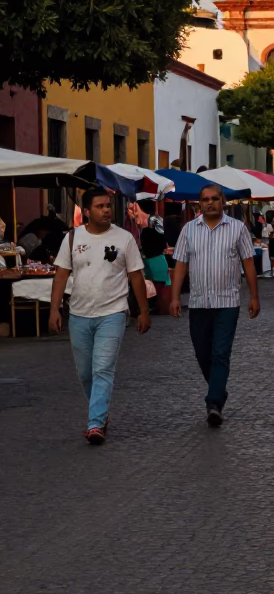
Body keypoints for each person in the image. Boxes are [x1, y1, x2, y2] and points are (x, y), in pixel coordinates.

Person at [48, 187, 151, 445]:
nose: (106, 210)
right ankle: (101, 414)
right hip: (79, 314)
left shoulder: (124, 238)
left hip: (113, 313)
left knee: (103, 368)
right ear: (86, 211)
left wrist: (143, 311)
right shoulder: (72, 238)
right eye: (100, 206)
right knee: (85, 373)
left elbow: (136, 275)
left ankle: (95, 424)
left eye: (108, 206)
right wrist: (54, 309)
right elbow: (61, 275)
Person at [169, 184, 259, 427]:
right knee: (202, 353)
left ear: (223, 202)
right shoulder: (189, 229)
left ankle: (213, 402)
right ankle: (219, 390)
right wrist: (175, 297)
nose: (209, 203)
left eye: (214, 199)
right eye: (205, 199)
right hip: (198, 303)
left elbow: (248, 263)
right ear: (199, 203)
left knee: (220, 352)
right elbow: (180, 265)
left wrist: (254, 296)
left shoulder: (238, 229)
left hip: (227, 302)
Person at [140, 225, 171, 314]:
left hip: (149, 259)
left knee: (150, 286)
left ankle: (153, 305)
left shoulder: (144, 234)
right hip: (159, 259)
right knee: (160, 286)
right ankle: (161, 306)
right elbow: (164, 245)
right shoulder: (158, 232)